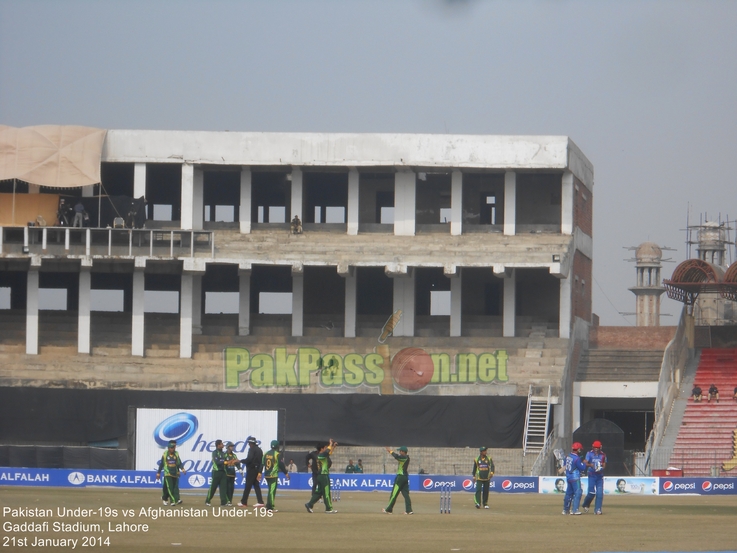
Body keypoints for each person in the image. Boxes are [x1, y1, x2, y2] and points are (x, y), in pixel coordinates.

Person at [305, 439, 338, 514]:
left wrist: (333, 447)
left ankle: (309, 504)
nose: (326, 448)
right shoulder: (321, 455)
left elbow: (329, 453)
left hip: (320, 476)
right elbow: (327, 452)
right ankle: (329, 508)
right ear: (322, 449)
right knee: (326, 492)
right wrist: (330, 444)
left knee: (318, 492)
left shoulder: (321, 455)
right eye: (325, 447)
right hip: (323, 476)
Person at [383, 446, 413, 515]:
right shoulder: (407, 457)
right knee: (406, 495)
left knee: (394, 494)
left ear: (403, 452)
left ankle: (389, 510)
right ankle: (409, 510)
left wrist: (390, 451)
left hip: (400, 477)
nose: (399, 452)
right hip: (405, 477)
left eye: (400, 451)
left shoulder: (404, 458)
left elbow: (396, 456)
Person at [155, 440, 186, 505]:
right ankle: (172, 500)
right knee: (169, 487)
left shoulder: (176, 453)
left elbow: (178, 462)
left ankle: (172, 498)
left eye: (174, 447)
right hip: (168, 473)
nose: (174, 448)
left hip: (175, 473)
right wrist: (158, 473)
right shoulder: (165, 454)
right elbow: (161, 464)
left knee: (174, 487)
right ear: (169, 447)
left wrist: (181, 469)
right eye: (172, 447)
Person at [263, 440, 290, 512]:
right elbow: (281, 465)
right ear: (277, 446)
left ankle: (268, 505)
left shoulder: (266, 453)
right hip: (273, 475)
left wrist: (259, 473)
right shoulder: (277, 454)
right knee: (272, 491)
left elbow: (262, 464)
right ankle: (270, 507)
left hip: (266, 474)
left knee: (270, 491)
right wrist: (286, 473)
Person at [238, 436, 265, 508]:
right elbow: (262, 462)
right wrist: (260, 471)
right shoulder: (259, 450)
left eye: (249, 443)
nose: (249, 445)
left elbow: (249, 459)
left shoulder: (252, 449)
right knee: (256, 485)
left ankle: (244, 502)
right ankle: (260, 501)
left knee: (248, 486)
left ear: (251, 443)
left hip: (251, 469)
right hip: (257, 469)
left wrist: (240, 461)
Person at [582, 440, 607, 515]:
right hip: (592, 474)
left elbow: (604, 464)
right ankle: (586, 504)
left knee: (599, 493)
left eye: (597, 448)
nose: (596, 449)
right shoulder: (589, 453)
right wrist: (591, 465)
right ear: (593, 447)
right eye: (595, 448)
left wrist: (601, 468)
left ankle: (598, 509)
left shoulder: (603, 455)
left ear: (600, 448)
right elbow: (585, 462)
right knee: (591, 492)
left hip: (599, 476)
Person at [563, 442, 586, 515]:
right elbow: (582, 468)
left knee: (568, 494)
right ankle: (575, 510)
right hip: (575, 478)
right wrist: (584, 463)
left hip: (568, 477)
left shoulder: (567, 456)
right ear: (578, 450)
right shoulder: (577, 458)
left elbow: (564, 465)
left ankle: (565, 510)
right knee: (578, 492)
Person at [205, 439, 229, 506]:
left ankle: (223, 502)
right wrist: (225, 462)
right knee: (213, 487)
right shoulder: (215, 452)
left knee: (223, 488)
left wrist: (230, 462)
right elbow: (217, 462)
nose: (223, 445)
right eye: (221, 444)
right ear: (218, 445)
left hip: (223, 472)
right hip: (216, 472)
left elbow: (226, 461)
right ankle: (207, 501)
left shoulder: (224, 453)